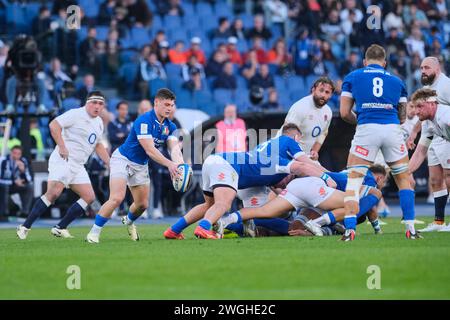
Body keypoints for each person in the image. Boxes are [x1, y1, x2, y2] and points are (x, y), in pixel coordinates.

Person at [163, 123, 333, 240]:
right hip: (227, 166)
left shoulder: (267, 154)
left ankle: (174, 230)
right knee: (223, 204)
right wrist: (327, 176)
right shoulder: (283, 152)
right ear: (296, 138)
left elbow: (281, 193)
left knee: (210, 205)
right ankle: (204, 228)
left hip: (219, 164)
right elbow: (304, 165)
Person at [340, 44, 417, 241]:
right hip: (392, 129)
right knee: (403, 180)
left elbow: (343, 113)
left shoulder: (352, 77)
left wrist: (361, 119)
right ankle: (411, 229)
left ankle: (349, 230)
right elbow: (402, 117)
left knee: (354, 181)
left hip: (367, 129)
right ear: (384, 63)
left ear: (365, 62)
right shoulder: (398, 82)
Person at [86, 89, 184, 243]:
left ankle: (129, 222)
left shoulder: (170, 126)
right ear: (156, 103)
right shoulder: (144, 120)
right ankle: (93, 233)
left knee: (142, 204)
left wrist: (180, 165)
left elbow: (174, 148)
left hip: (141, 164)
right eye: (166, 104)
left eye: (171, 105)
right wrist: (170, 164)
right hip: (122, 159)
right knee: (117, 198)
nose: (169, 108)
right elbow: (150, 150)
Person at [16, 91, 110, 239]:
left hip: (78, 165)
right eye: (94, 102)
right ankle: (24, 226)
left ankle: (60, 227)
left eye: (100, 104)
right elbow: (53, 125)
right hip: (63, 159)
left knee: (89, 197)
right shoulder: (76, 114)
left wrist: (109, 163)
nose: (97, 106)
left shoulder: (98, 123)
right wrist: (62, 146)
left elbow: (98, 145)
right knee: (53, 194)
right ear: (87, 102)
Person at [407, 57, 450, 232]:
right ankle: (439, 222)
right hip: (440, 135)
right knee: (435, 179)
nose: (423, 71)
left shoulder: (446, 87)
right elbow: (419, 152)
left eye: (427, 67)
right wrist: (403, 172)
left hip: (445, 134)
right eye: (421, 67)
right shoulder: (426, 94)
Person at [279, 77, 334, 161]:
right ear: (313, 90)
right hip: (284, 154)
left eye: (327, 92)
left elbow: (323, 133)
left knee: (325, 173)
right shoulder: (300, 107)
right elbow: (286, 135)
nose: (323, 95)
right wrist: (295, 159)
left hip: (304, 157)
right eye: (321, 90)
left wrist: (314, 151)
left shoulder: (328, 112)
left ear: (330, 95)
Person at [0, 146, 34, 222]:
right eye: (14, 153)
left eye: (18, 154)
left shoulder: (23, 161)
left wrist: (23, 171)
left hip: (16, 185)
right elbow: (1, 178)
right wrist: (14, 181)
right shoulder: (3, 160)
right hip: (4, 185)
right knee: (4, 187)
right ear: (11, 153)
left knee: (29, 186)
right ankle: (4, 213)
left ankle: (24, 212)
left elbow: (29, 179)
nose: (16, 156)